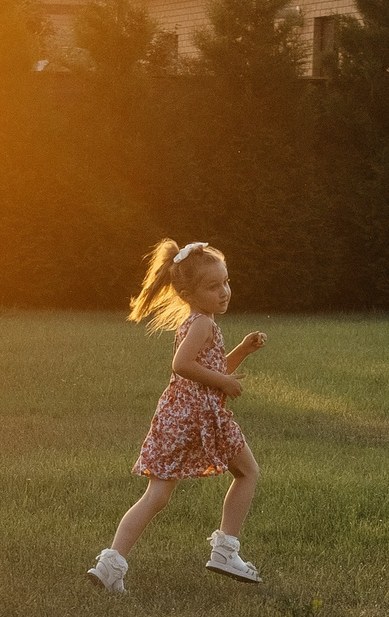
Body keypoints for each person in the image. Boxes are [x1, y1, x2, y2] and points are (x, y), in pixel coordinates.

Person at [88, 240, 267, 595]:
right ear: (188, 293)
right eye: (213, 287)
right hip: (200, 418)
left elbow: (210, 369)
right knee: (248, 472)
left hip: (178, 418)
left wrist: (242, 351)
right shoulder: (202, 325)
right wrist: (226, 384)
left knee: (156, 497)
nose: (224, 292)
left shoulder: (199, 322)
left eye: (226, 282)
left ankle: (110, 565)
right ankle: (225, 550)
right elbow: (182, 366)